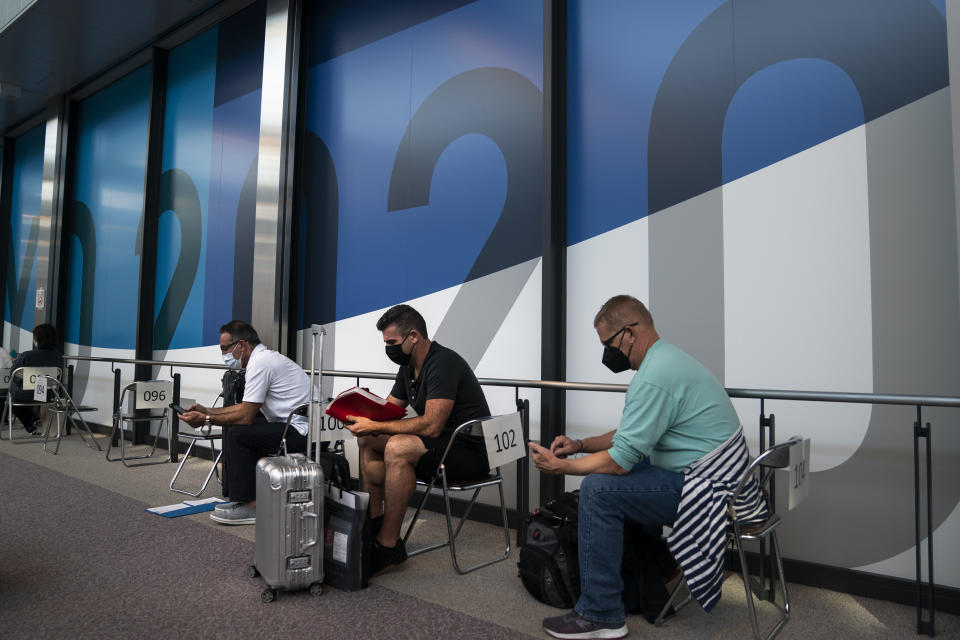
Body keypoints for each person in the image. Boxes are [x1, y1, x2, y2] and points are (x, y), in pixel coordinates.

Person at [529, 295, 767, 640]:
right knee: (629, 469)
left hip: (711, 489)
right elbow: (631, 435)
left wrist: (559, 467)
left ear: (629, 332)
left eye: (607, 343)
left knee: (598, 490)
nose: (606, 353)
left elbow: (618, 462)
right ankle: (658, 570)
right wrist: (580, 446)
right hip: (717, 477)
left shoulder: (655, 376)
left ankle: (601, 614)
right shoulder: (666, 361)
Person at [345, 304, 491, 576]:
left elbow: (433, 425)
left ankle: (389, 546)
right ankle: (374, 525)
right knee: (369, 440)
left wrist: (376, 424)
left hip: (468, 452)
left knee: (398, 447)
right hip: (439, 446)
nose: (388, 348)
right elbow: (389, 410)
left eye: (392, 342)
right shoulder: (408, 367)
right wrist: (360, 417)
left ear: (413, 336)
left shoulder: (443, 362)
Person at [177, 321, 313, 525]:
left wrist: (205, 419)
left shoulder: (261, 363)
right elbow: (244, 407)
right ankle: (246, 499)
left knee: (238, 433)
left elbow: (245, 415)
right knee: (241, 428)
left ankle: (250, 506)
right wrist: (207, 411)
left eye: (225, 348)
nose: (223, 354)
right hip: (291, 424)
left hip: (302, 431)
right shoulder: (261, 360)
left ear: (241, 345)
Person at [9, 323, 63, 435]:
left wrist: (20, 382)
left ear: (37, 339)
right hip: (48, 395)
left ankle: (31, 421)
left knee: (11, 399)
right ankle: (32, 421)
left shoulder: (27, 355)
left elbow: (13, 374)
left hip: (24, 394)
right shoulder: (58, 356)